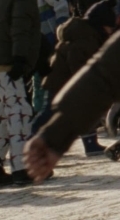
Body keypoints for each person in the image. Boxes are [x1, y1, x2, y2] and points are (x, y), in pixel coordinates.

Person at [26, 30, 120, 179]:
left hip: (65, 92)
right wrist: (56, 135)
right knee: (43, 114)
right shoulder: (78, 44)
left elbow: (104, 76)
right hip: (59, 90)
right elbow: (105, 76)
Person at [0, 0, 42, 187]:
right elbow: (20, 27)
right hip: (8, 60)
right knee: (19, 113)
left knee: (5, 113)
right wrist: (20, 58)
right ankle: (21, 167)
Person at [38, 2, 116, 155]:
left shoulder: (91, 36)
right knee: (49, 115)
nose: (110, 31)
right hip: (59, 84)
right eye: (109, 27)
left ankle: (90, 142)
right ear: (101, 24)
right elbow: (76, 62)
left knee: (82, 110)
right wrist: (84, 81)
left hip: (68, 83)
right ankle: (33, 140)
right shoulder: (84, 37)